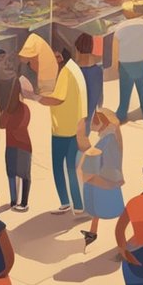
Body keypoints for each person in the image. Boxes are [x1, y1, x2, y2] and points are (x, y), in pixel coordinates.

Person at [36, 45, 88, 214]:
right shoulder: (74, 69)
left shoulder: (65, 73)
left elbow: (57, 100)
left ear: (59, 57)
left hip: (62, 129)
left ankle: (66, 202)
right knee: (72, 167)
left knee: (60, 166)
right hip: (74, 125)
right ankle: (78, 205)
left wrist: (37, 97)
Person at [80, 109, 126, 246]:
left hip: (106, 178)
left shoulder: (107, 140)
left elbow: (100, 161)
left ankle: (121, 235)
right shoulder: (110, 137)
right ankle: (93, 232)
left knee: (110, 209)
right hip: (108, 177)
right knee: (102, 208)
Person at [114, 10, 143, 122]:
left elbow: (116, 49)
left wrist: (116, 65)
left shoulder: (120, 30)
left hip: (126, 64)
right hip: (140, 63)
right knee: (142, 91)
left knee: (125, 93)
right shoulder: (142, 27)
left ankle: (121, 114)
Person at [0, 78, 34, 211]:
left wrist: (6, 113)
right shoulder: (17, 109)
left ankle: (22, 202)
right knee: (14, 173)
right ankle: (15, 201)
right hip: (16, 145)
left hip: (20, 145)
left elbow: (8, 126)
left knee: (21, 174)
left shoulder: (20, 109)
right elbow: (4, 125)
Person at [75, 33, 104, 118]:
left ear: (77, 49)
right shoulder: (97, 70)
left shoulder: (75, 71)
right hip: (91, 112)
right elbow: (99, 96)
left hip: (79, 112)